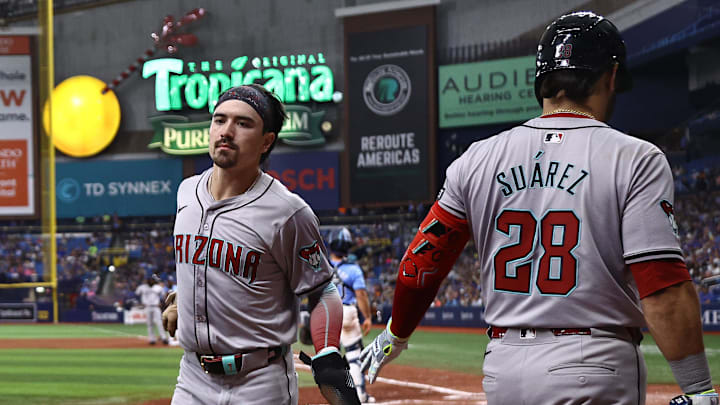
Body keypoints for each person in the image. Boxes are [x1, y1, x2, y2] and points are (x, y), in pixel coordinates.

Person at [360, 11, 718, 405]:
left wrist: (397, 333)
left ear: (541, 80)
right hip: (593, 367)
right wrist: (697, 387)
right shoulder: (635, 158)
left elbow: (421, 262)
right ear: (611, 76)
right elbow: (662, 285)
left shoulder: (477, 158)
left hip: (503, 369)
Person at [161, 84, 360, 405]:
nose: (226, 131)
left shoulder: (287, 212)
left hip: (259, 382)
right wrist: (183, 297)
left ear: (267, 141)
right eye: (219, 119)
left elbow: (322, 289)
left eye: (243, 123)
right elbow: (206, 264)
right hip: (193, 377)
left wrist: (327, 353)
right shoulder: (186, 193)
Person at [328, 227, 375, 402]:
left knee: (329, 358)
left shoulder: (321, 267)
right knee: (354, 355)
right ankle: (360, 395)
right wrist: (368, 317)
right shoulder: (353, 269)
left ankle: (334, 396)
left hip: (326, 314)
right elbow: (361, 295)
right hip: (347, 312)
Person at [135, 274, 168, 345]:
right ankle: (152, 339)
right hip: (147, 307)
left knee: (159, 323)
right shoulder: (142, 287)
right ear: (147, 280)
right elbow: (136, 295)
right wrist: (140, 303)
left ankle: (164, 338)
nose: (150, 281)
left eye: (152, 280)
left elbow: (163, 296)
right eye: (149, 279)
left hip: (156, 306)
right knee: (149, 323)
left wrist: (161, 303)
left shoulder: (158, 287)